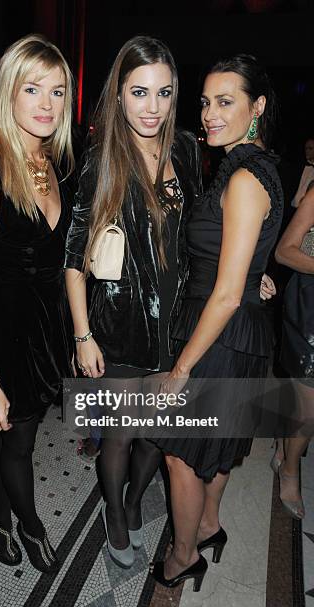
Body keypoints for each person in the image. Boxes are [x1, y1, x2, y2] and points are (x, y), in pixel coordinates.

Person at [64, 38, 275, 571]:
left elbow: (214, 226)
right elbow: (73, 258)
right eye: (139, 93)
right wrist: (82, 334)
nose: (152, 107)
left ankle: (137, 501)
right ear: (120, 94)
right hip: (119, 324)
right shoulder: (102, 158)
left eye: (163, 93)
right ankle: (116, 511)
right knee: (120, 433)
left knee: (157, 437)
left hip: (179, 323)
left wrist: (253, 270)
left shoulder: (184, 147)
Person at [150, 54, 283, 589]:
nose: (208, 113)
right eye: (205, 102)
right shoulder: (241, 166)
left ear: (258, 107)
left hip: (219, 334)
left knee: (179, 452)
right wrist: (258, 276)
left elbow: (226, 293)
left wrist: (182, 366)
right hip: (233, 331)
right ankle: (207, 524)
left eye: (225, 102)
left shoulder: (247, 176)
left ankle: (183, 557)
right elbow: (244, 260)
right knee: (218, 442)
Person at [0, 34, 75, 573]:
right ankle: (28, 525)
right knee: (17, 446)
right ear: (9, 92)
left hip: (45, 330)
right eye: (33, 88)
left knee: (9, 443)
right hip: (2, 337)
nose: (47, 104)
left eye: (58, 90)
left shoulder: (53, 161)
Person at [272, 179, 314, 519]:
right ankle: (289, 470)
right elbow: (284, 250)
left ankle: (285, 446)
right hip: (310, 307)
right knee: (309, 406)